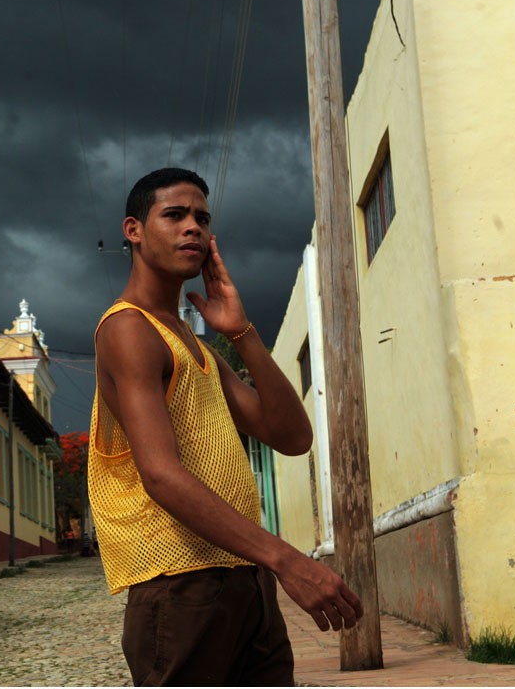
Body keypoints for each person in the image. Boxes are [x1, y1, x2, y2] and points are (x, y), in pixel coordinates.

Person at [88, 167, 363, 686]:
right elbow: (161, 476)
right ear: (134, 230)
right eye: (174, 215)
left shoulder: (198, 348)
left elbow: (291, 437)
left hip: (243, 578)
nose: (193, 227)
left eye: (202, 218)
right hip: (181, 587)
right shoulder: (127, 329)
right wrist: (288, 561)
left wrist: (241, 333)